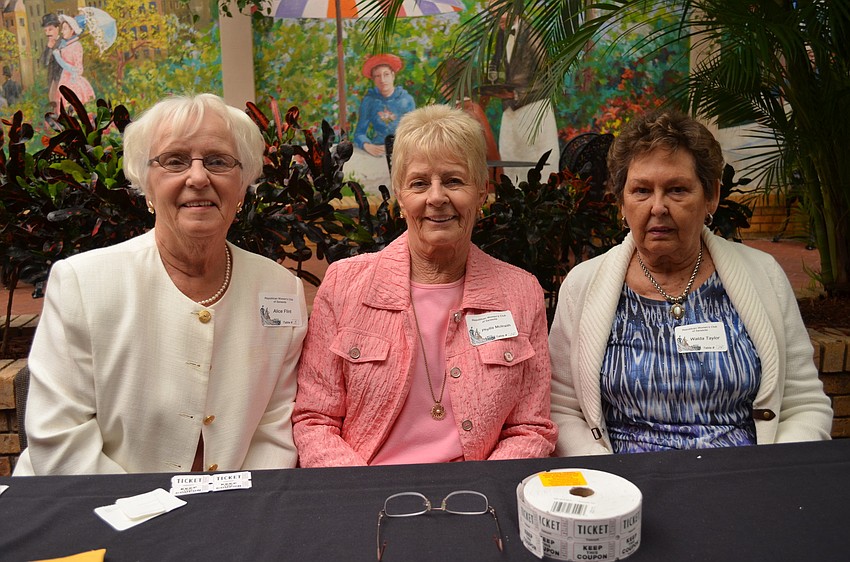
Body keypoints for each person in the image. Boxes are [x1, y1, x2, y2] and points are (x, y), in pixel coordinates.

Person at [14, 94, 308, 475]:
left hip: (236, 513)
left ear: (242, 185)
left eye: (218, 161)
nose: (198, 178)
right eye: (175, 161)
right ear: (146, 186)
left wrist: (238, 511)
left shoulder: (281, 289)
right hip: (98, 515)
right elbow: (60, 438)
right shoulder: (82, 283)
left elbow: (275, 428)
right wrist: (148, 519)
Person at [549, 110, 833, 456]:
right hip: (627, 485)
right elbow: (562, 408)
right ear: (621, 201)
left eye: (677, 190)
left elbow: (803, 403)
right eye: (641, 190)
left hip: (743, 479)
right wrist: (610, 480)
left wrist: (769, 472)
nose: (658, 207)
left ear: (711, 196)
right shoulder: (583, 284)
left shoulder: (763, 275)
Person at [294, 105, 557, 466]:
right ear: (401, 196)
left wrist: (481, 489)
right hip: (367, 491)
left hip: (475, 496)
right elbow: (315, 419)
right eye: (419, 183)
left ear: (481, 191)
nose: (436, 197)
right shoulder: (344, 285)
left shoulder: (520, 292)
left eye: (453, 180)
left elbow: (529, 428)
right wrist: (359, 492)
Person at [489, 14, 559, 180]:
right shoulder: (500, 34)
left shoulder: (532, 33)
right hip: (511, 111)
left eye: (501, 14)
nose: (499, 19)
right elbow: (499, 65)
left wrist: (519, 94)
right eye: (495, 15)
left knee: (540, 162)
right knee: (510, 159)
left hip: (534, 109)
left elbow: (548, 71)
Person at [343, 54, 415, 193]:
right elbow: (359, 132)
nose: (382, 80)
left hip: (403, 151)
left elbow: (414, 132)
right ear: (373, 80)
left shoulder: (406, 100)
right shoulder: (370, 101)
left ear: (393, 76)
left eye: (386, 74)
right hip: (378, 151)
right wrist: (366, 145)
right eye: (377, 76)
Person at [53, 14, 95, 106]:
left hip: (73, 82)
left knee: (73, 106)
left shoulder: (76, 46)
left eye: (65, 29)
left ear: (72, 30)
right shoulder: (65, 45)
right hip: (63, 79)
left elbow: (78, 69)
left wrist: (58, 58)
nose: (62, 31)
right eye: (62, 29)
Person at [41, 14, 63, 112]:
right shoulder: (48, 46)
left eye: (50, 29)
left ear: (57, 28)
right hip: (53, 82)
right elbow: (44, 63)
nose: (47, 33)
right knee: (55, 108)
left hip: (63, 81)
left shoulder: (63, 43)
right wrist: (49, 48)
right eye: (45, 30)